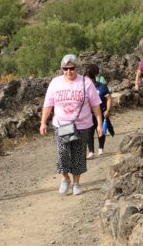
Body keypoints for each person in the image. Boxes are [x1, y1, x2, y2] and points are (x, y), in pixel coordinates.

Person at [40, 55, 103, 196]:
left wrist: (99, 124)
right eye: (65, 69)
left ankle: (76, 183)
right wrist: (43, 122)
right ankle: (65, 178)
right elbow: (48, 104)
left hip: (82, 125)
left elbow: (96, 106)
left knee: (78, 155)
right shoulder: (55, 83)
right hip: (61, 125)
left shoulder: (86, 83)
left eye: (72, 68)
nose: (69, 71)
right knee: (62, 153)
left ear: (77, 68)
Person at [85, 65, 113, 158]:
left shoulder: (102, 87)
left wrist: (108, 110)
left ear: (92, 78)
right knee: (89, 132)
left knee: (100, 131)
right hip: (88, 114)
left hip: (101, 113)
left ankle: (101, 148)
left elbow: (108, 99)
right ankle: (91, 152)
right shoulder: (84, 88)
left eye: (88, 78)